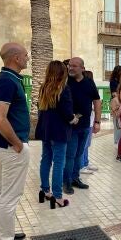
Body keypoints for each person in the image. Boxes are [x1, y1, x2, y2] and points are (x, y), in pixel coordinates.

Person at [0, 42, 34, 240]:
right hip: (11, 147)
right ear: (15, 58)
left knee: (1, 192)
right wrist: (17, 143)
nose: (28, 58)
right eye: (25, 55)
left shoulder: (6, 78)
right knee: (10, 195)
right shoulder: (7, 80)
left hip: (5, 146)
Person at [36, 61, 77, 209]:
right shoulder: (63, 89)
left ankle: (45, 191)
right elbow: (66, 113)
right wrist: (74, 118)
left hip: (46, 130)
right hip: (59, 131)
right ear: (61, 73)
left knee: (45, 159)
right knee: (59, 162)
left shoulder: (43, 88)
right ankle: (58, 196)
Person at [63, 57, 101, 194]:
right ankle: (66, 182)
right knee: (70, 155)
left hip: (85, 126)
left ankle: (75, 178)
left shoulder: (89, 82)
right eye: (69, 65)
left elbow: (97, 101)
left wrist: (97, 121)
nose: (70, 68)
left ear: (82, 68)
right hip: (70, 126)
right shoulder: (65, 82)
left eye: (74, 66)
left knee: (79, 154)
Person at [80, 70, 98, 174]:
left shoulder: (90, 89)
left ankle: (86, 162)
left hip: (90, 121)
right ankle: (81, 165)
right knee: (84, 145)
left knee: (87, 145)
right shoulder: (85, 89)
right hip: (86, 121)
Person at [110, 66, 121, 146]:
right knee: (117, 123)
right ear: (119, 72)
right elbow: (114, 94)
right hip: (117, 104)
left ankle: (119, 141)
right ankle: (117, 141)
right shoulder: (113, 81)